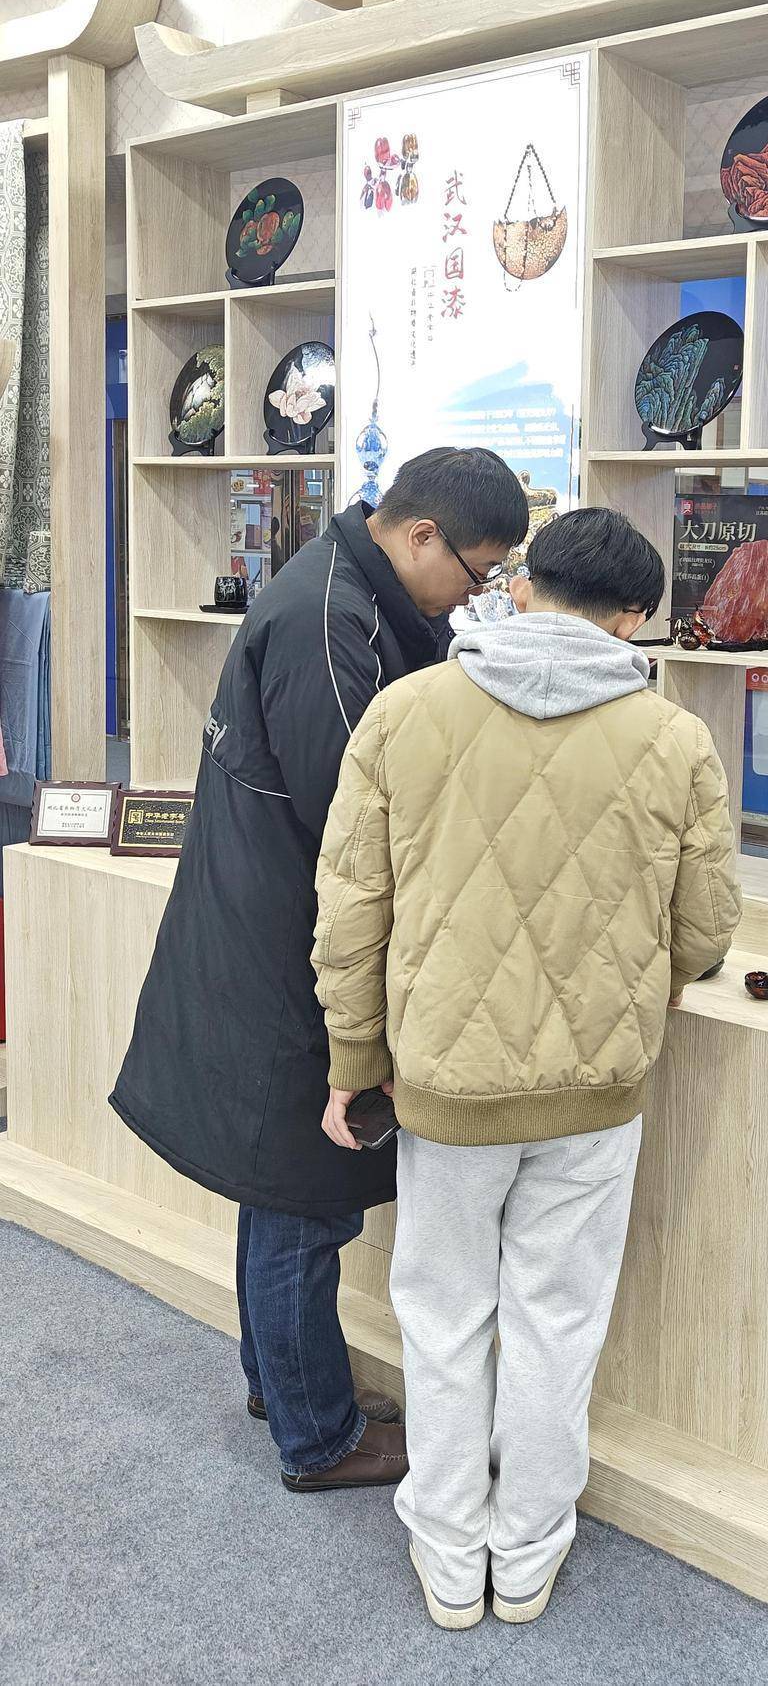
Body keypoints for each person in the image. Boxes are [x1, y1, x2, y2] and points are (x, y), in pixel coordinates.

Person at [313, 507, 742, 1629]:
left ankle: (450, 1557)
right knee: (559, 1323)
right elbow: (706, 927)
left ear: (524, 583)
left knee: (443, 1318)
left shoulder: (407, 711)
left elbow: (350, 909)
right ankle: (528, 1554)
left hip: (444, 1087)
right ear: (633, 618)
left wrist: (354, 1053)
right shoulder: (676, 738)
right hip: (597, 1092)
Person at [110, 448, 528, 1493]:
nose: (474, 595)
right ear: (422, 536)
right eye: (478, 572)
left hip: (271, 922)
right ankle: (318, 1435)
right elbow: (358, 822)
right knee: (305, 1199)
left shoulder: (353, 589)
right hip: (286, 943)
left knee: (281, 1188)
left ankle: (282, 1381)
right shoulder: (327, 621)